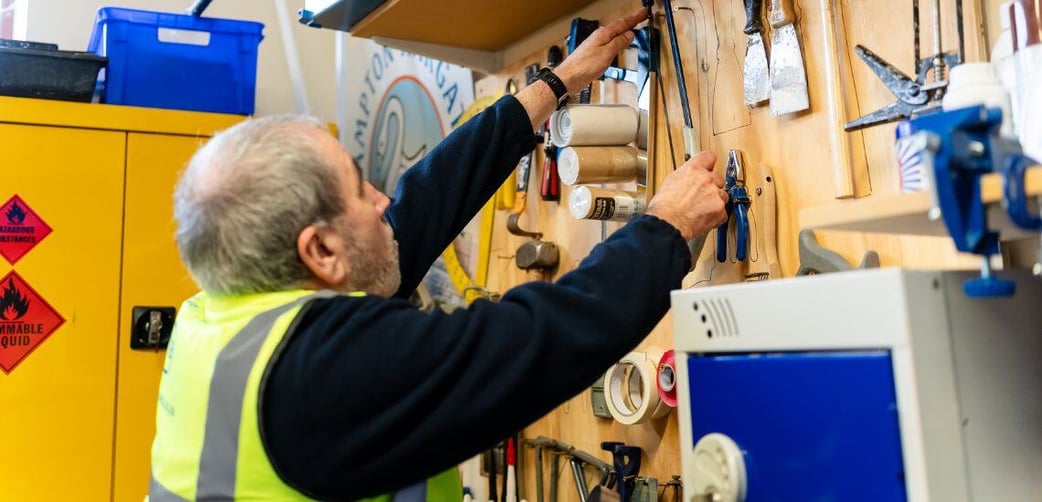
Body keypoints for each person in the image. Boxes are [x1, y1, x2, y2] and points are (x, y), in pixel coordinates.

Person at [149, 8, 728, 501]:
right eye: (359, 189)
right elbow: (537, 340)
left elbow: (416, 210)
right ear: (321, 250)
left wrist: (557, 84)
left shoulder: (220, 320)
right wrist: (667, 225)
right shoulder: (315, 376)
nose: (381, 200)